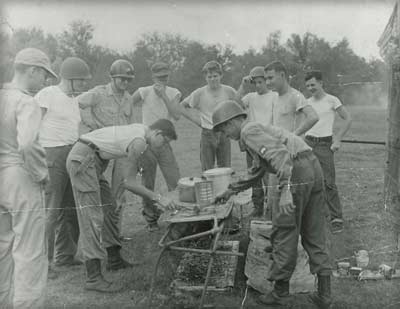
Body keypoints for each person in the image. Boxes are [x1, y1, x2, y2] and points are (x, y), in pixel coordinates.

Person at [212, 100, 332, 308]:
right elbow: (258, 169)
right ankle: (325, 295)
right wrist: (230, 190)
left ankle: (280, 294)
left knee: (284, 231)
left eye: (224, 129)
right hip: (312, 166)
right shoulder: (258, 130)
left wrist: (285, 190)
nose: (225, 134)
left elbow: (280, 156)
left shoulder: (248, 131)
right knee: (314, 232)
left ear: (233, 122)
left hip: (294, 172)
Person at [66, 119, 177, 292]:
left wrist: (116, 196)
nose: (163, 146)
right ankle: (93, 277)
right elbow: (130, 182)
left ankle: (114, 259)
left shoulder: (141, 131)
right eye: (165, 141)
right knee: (92, 216)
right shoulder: (139, 141)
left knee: (110, 207)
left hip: (93, 159)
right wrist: (158, 197)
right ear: (157, 133)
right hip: (84, 158)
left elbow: (123, 175)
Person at [0, 47, 57, 308]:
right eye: (44, 74)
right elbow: (27, 144)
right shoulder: (25, 101)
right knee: (30, 250)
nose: (46, 80)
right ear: (32, 70)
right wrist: (41, 174)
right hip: (19, 175)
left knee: (2, 247)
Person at [35, 57, 91, 278]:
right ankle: (41, 265)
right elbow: (31, 124)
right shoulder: (48, 94)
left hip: (70, 153)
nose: (85, 85)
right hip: (51, 155)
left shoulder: (73, 99)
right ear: (70, 78)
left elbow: (72, 129)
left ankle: (65, 255)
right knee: (51, 211)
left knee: (71, 209)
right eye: (82, 81)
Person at [77, 59, 136, 268]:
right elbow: (79, 103)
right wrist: (91, 125)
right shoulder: (99, 93)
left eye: (129, 79)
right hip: (95, 153)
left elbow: (129, 126)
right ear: (112, 77)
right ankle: (85, 256)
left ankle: (113, 250)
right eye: (122, 79)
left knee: (117, 199)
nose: (125, 83)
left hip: (118, 152)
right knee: (93, 205)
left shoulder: (128, 98)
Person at [264, 61, 319, 219]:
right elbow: (271, 124)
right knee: (273, 199)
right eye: (266, 79)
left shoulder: (296, 96)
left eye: (270, 78)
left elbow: (313, 117)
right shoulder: (274, 97)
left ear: (282, 75)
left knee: (290, 200)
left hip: (292, 156)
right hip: (275, 154)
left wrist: (294, 136)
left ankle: (295, 238)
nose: (267, 82)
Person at [131, 62, 181, 231]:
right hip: (146, 142)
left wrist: (164, 96)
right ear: (153, 77)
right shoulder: (144, 91)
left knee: (174, 179)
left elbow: (176, 115)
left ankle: (178, 215)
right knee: (147, 183)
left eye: (165, 77)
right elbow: (127, 105)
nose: (163, 80)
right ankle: (151, 219)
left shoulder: (174, 93)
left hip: (164, 142)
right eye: (159, 77)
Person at [305, 70, 352, 234]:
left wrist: (337, 139)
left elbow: (347, 119)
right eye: (308, 86)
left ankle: (336, 218)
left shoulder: (332, 100)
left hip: (325, 145)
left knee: (329, 182)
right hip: (308, 143)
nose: (311, 88)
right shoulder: (306, 102)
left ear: (321, 83)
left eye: (313, 84)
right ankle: (314, 217)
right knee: (309, 181)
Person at [181, 60, 237, 171]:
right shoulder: (199, 93)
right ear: (205, 78)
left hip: (224, 132)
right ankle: (209, 188)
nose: (212, 79)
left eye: (215, 76)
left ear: (221, 75)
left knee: (225, 168)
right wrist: (197, 121)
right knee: (207, 169)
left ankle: (224, 188)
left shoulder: (229, 91)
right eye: (209, 77)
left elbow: (240, 104)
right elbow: (181, 106)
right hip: (207, 132)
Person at [237, 66, 277, 217]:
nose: (259, 85)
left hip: (267, 141)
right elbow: (234, 102)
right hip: (251, 142)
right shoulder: (251, 97)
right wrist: (242, 85)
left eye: (261, 82)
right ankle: (258, 206)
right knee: (254, 176)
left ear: (267, 81)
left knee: (269, 175)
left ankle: (271, 207)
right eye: (256, 83)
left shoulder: (274, 96)